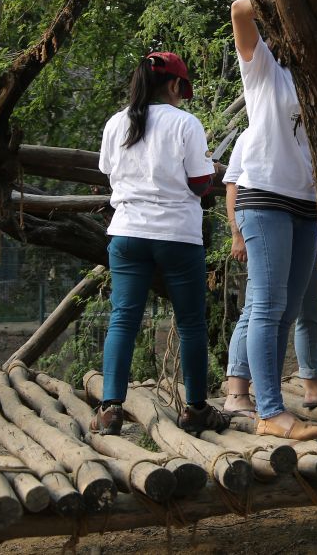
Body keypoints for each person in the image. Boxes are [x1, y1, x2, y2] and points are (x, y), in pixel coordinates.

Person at [92, 51, 229, 436]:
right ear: (173, 85)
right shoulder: (185, 124)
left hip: (127, 233)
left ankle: (109, 408)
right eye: (181, 88)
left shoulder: (116, 123)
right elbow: (201, 185)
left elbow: (109, 173)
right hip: (177, 236)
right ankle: (196, 409)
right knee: (189, 323)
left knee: (123, 319)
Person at [223, 0, 317, 441]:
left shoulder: (316, 81)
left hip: (305, 204)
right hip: (263, 198)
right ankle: (268, 412)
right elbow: (239, 13)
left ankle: (272, 406)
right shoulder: (264, 66)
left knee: (286, 308)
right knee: (264, 306)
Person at [222, 131, 317, 418]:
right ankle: (238, 391)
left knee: (306, 308)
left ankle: (312, 387)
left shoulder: (311, 136)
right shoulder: (255, 134)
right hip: (266, 224)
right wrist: (237, 234)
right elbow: (233, 183)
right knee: (260, 307)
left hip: (305, 228)